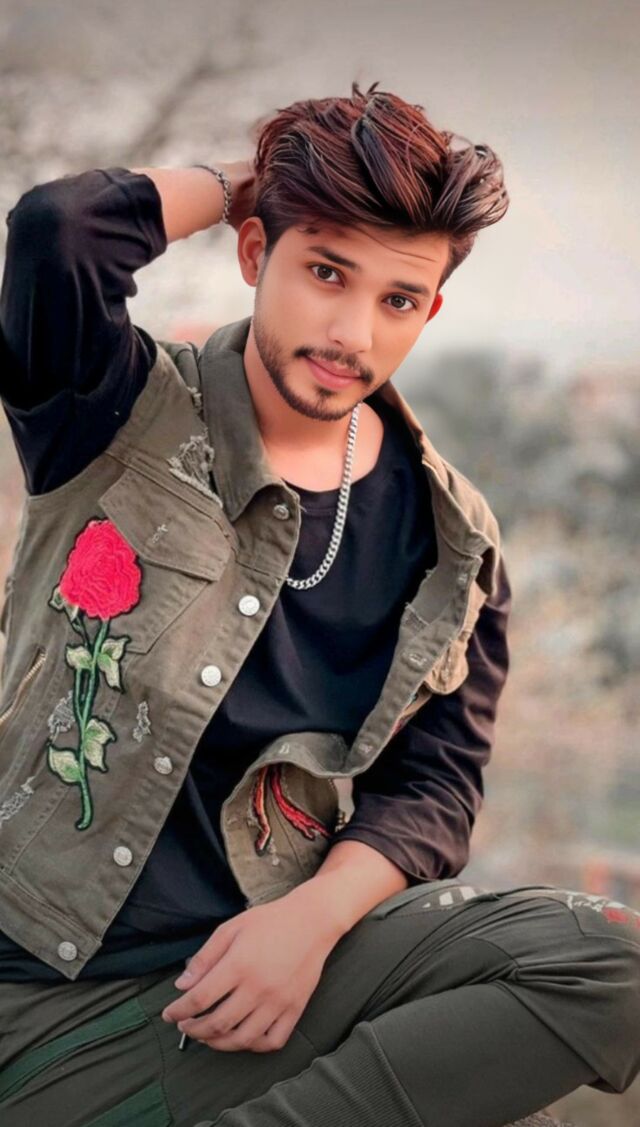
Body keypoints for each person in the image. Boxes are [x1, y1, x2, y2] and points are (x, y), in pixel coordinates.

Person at [0, 81, 637, 1127]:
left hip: (254, 987)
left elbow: (433, 785)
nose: (351, 331)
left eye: (397, 299)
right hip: (39, 991)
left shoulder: (452, 541)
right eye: (326, 270)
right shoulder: (112, 410)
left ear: (430, 312)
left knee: (609, 963)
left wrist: (311, 923)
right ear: (255, 253)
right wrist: (255, 179)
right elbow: (57, 230)